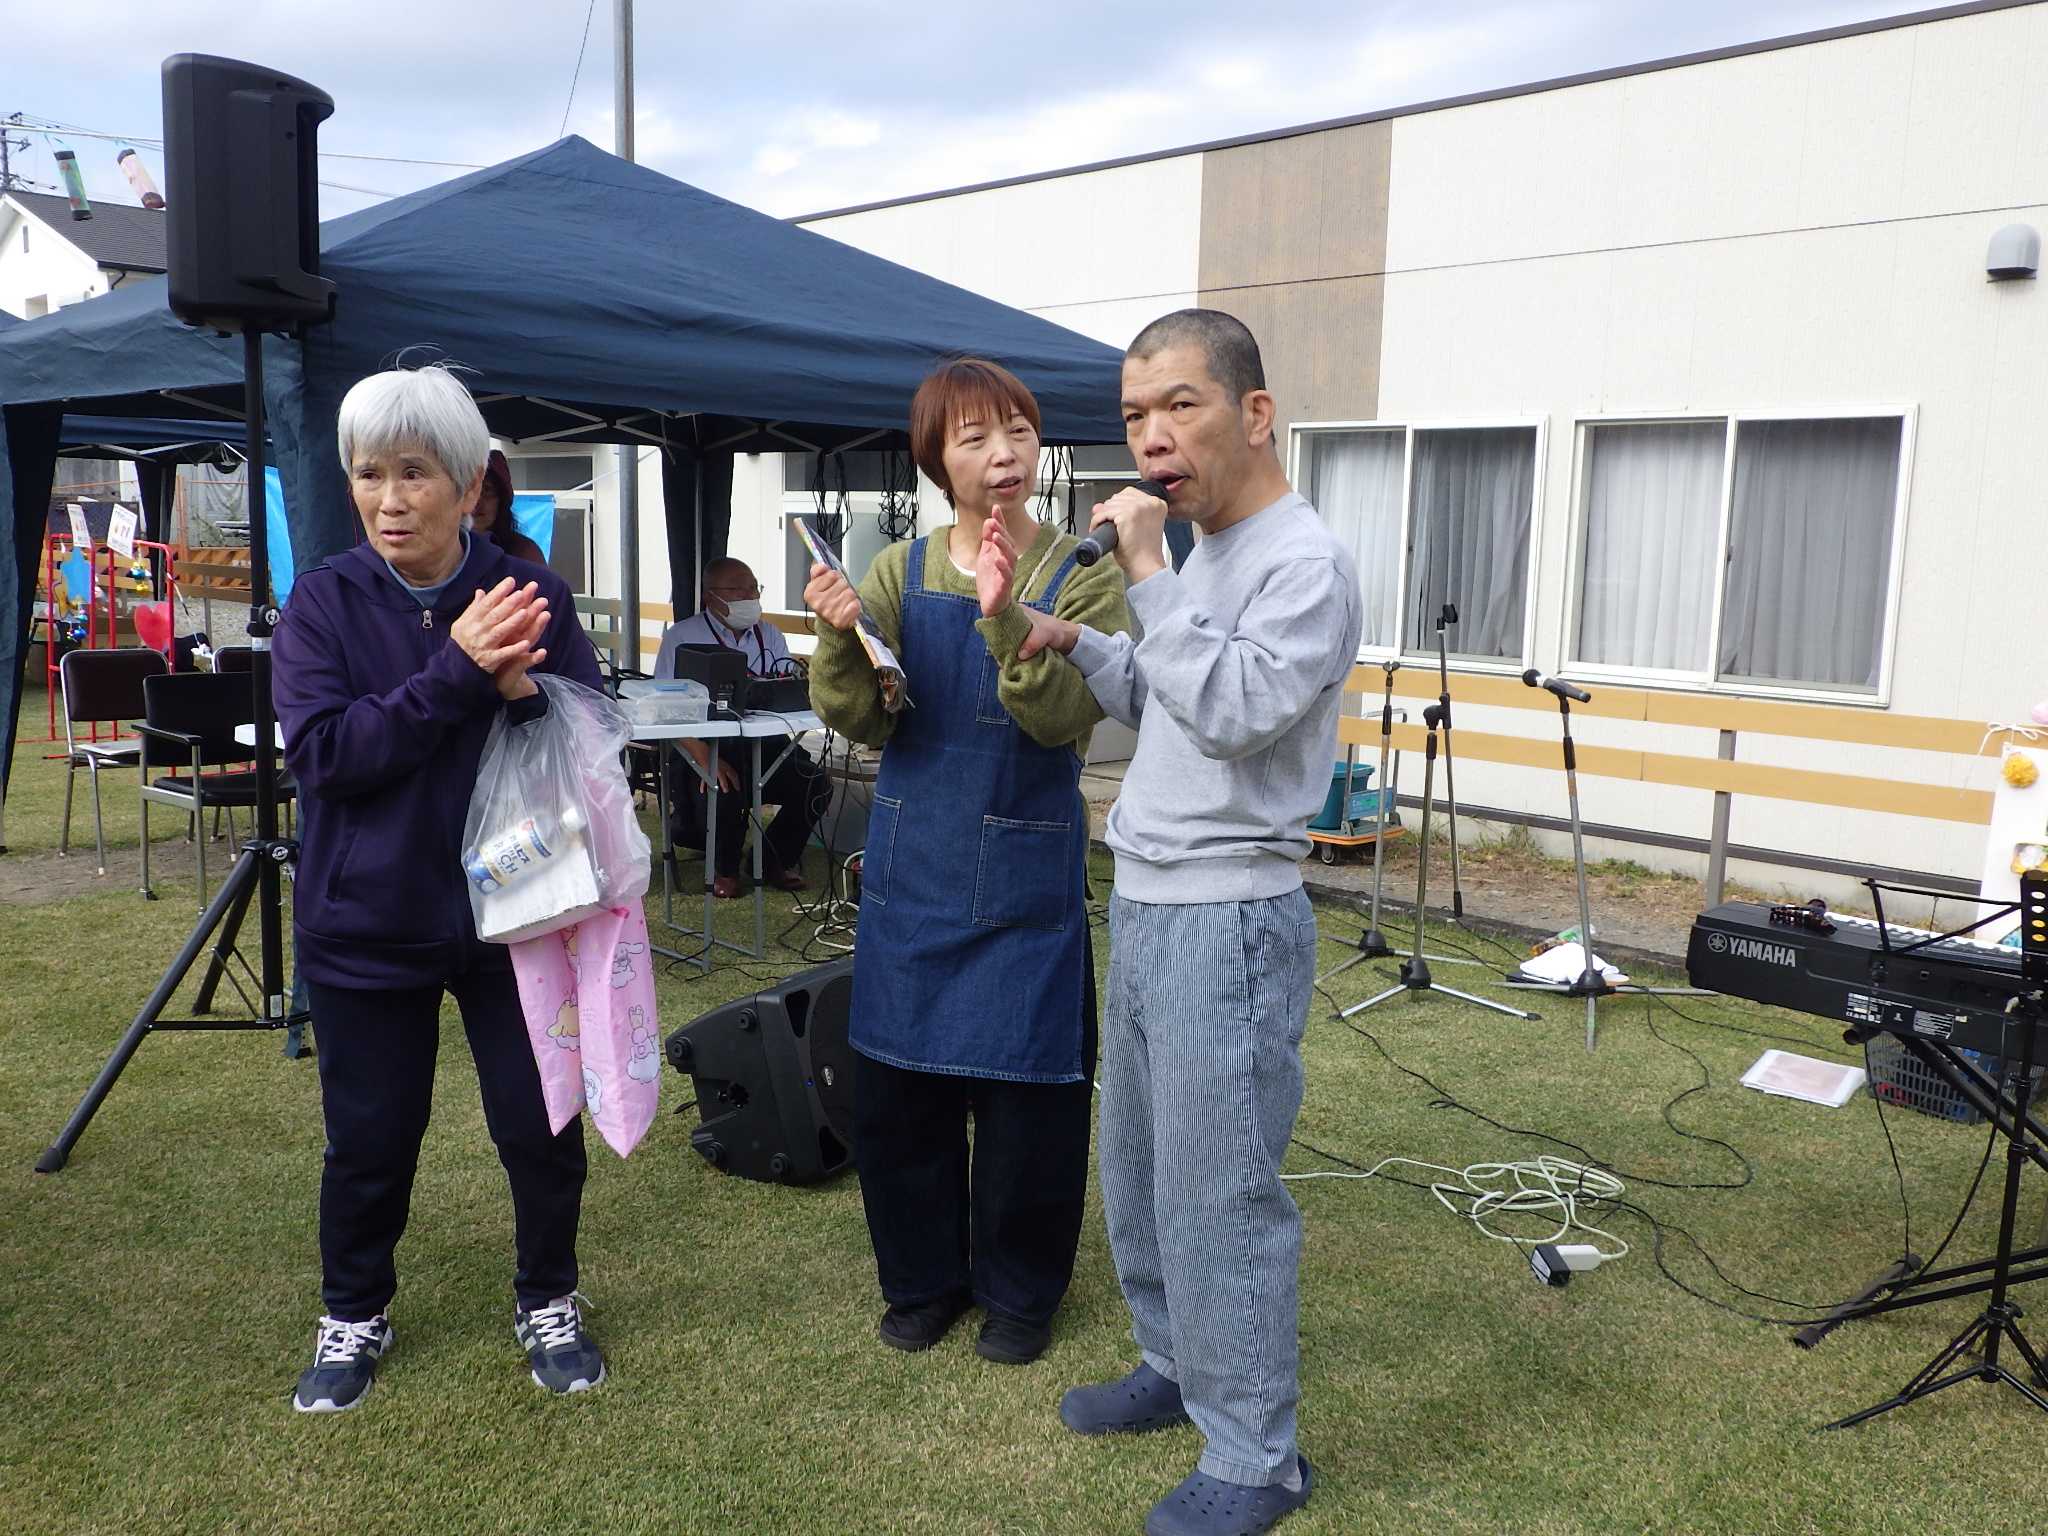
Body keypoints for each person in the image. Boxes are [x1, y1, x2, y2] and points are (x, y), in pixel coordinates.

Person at [1013, 311, 1362, 1536]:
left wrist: (1146, 576)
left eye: (1177, 407)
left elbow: (1234, 709)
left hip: (1230, 917)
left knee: (1221, 1193)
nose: (1150, 440)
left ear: (1253, 414)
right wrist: (1089, 648)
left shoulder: (1297, 561)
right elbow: (1167, 696)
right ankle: (1174, 1365)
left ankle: (1258, 1458)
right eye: (1132, 418)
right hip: (1152, 899)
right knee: (1145, 1175)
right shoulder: (1201, 553)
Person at [272, 365, 609, 1415]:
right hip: (366, 920)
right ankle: (353, 1311)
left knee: (538, 1123)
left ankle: (548, 1295)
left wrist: (525, 696)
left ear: (470, 487)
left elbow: (589, 742)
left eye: (414, 472)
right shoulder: (325, 602)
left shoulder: (530, 594)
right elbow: (326, 755)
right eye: (370, 473)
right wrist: (458, 674)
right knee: (370, 1136)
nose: (389, 498)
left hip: (515, 912)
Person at [805, 358, 1131, 1366]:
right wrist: (839, 636)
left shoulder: (1082, 569)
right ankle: (920, 1283)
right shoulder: (898, 571)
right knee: (900, 1098)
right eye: (973, 438)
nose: (1001, 455)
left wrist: (1000, 617)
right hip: (914, 865)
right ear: (934, 461)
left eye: (1017, 432)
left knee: (1031, 1102)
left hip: (1028, 872)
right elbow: (857, 718)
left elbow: (1059, 717)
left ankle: (1020, 1295)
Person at [654, 557, 830, 898]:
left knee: (816, 783)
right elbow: (665, 710)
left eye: (753, 588)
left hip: (766, 744)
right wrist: (705, 757)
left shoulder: (771, 635)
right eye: (737, 589)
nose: (749, 596)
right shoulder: (682, 637)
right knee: (724, 782)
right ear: (710, 596)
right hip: (703, 746)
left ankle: (772, 861)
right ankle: (724, 870)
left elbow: (783, 684)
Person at [471, 448, 547, 565]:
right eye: (469, 490)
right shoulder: (444, 553)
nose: (476, 501)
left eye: (487, 490)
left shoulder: (524, 553)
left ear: (502, 500)